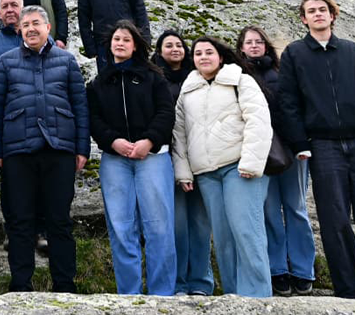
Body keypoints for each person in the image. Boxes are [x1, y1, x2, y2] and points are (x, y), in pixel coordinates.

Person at [277, 0, 355, 299]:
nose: (318, 14)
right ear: (303, 19)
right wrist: (299, 142)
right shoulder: (294, 54)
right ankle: (348, 291)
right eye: (311, 11)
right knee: (335, 222)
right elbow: (288, 101)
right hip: (322, 147)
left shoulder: (353, 51)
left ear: (333, 15)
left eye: (323, 10)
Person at [0, 6, 89, 293]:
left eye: (36, 23)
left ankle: (64, 285)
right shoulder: (5, 63)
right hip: (18, 153)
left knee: (59, 220)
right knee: (20, 221)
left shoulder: (67, 61)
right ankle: (21, 285)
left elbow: (80, 106)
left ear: (48, 28)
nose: (31, 28)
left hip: (59, 150)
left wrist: (81, 148)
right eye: (26, 24)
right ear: (19, 30)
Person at [171, 37, 272, 297]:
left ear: (221, 57)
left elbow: (258, 120)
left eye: (209, 52)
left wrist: (251, 162)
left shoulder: (240, 81)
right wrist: (183, 171)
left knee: (247, 231)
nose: (203, 57)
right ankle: (234, 295)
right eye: (198, 53)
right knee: (223, 237)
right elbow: (179, 133)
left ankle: (257, 297)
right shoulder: (188, 90)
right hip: (206, 173)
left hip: (239, 167)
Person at [88, 21, 176, 295]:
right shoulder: (99, 82)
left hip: (153, 157)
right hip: (115, 160)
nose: (120, 43)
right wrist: (113, 141)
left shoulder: (154, 77)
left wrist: (148, 140)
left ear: (135, 45)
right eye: (116, 39)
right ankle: (129, 293)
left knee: (158, 226)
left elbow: (166, 113)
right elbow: (94, 119)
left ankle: (162, 293)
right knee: (120, 226)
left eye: (126, 39)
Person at [237, 25, 315, 296]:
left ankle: (303, 270)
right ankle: (277, 269)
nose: (254, 46)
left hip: (291, 148)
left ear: (266, 45)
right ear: (241, 47)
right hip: (262, 151)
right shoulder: (238, 75)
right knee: (269, 212)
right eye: (249, 42)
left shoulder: (283, 71)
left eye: (259, 41)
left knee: (296, 208)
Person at [153, 30, 213, 296]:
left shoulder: (198, 77)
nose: (175, 49)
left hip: (200, 156)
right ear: (159, 51)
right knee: (176, 225)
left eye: (179, 45)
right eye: (169, 45)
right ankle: (178, 282)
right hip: (167, 157)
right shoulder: (154, 78)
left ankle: (201, 281)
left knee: (200, 223)